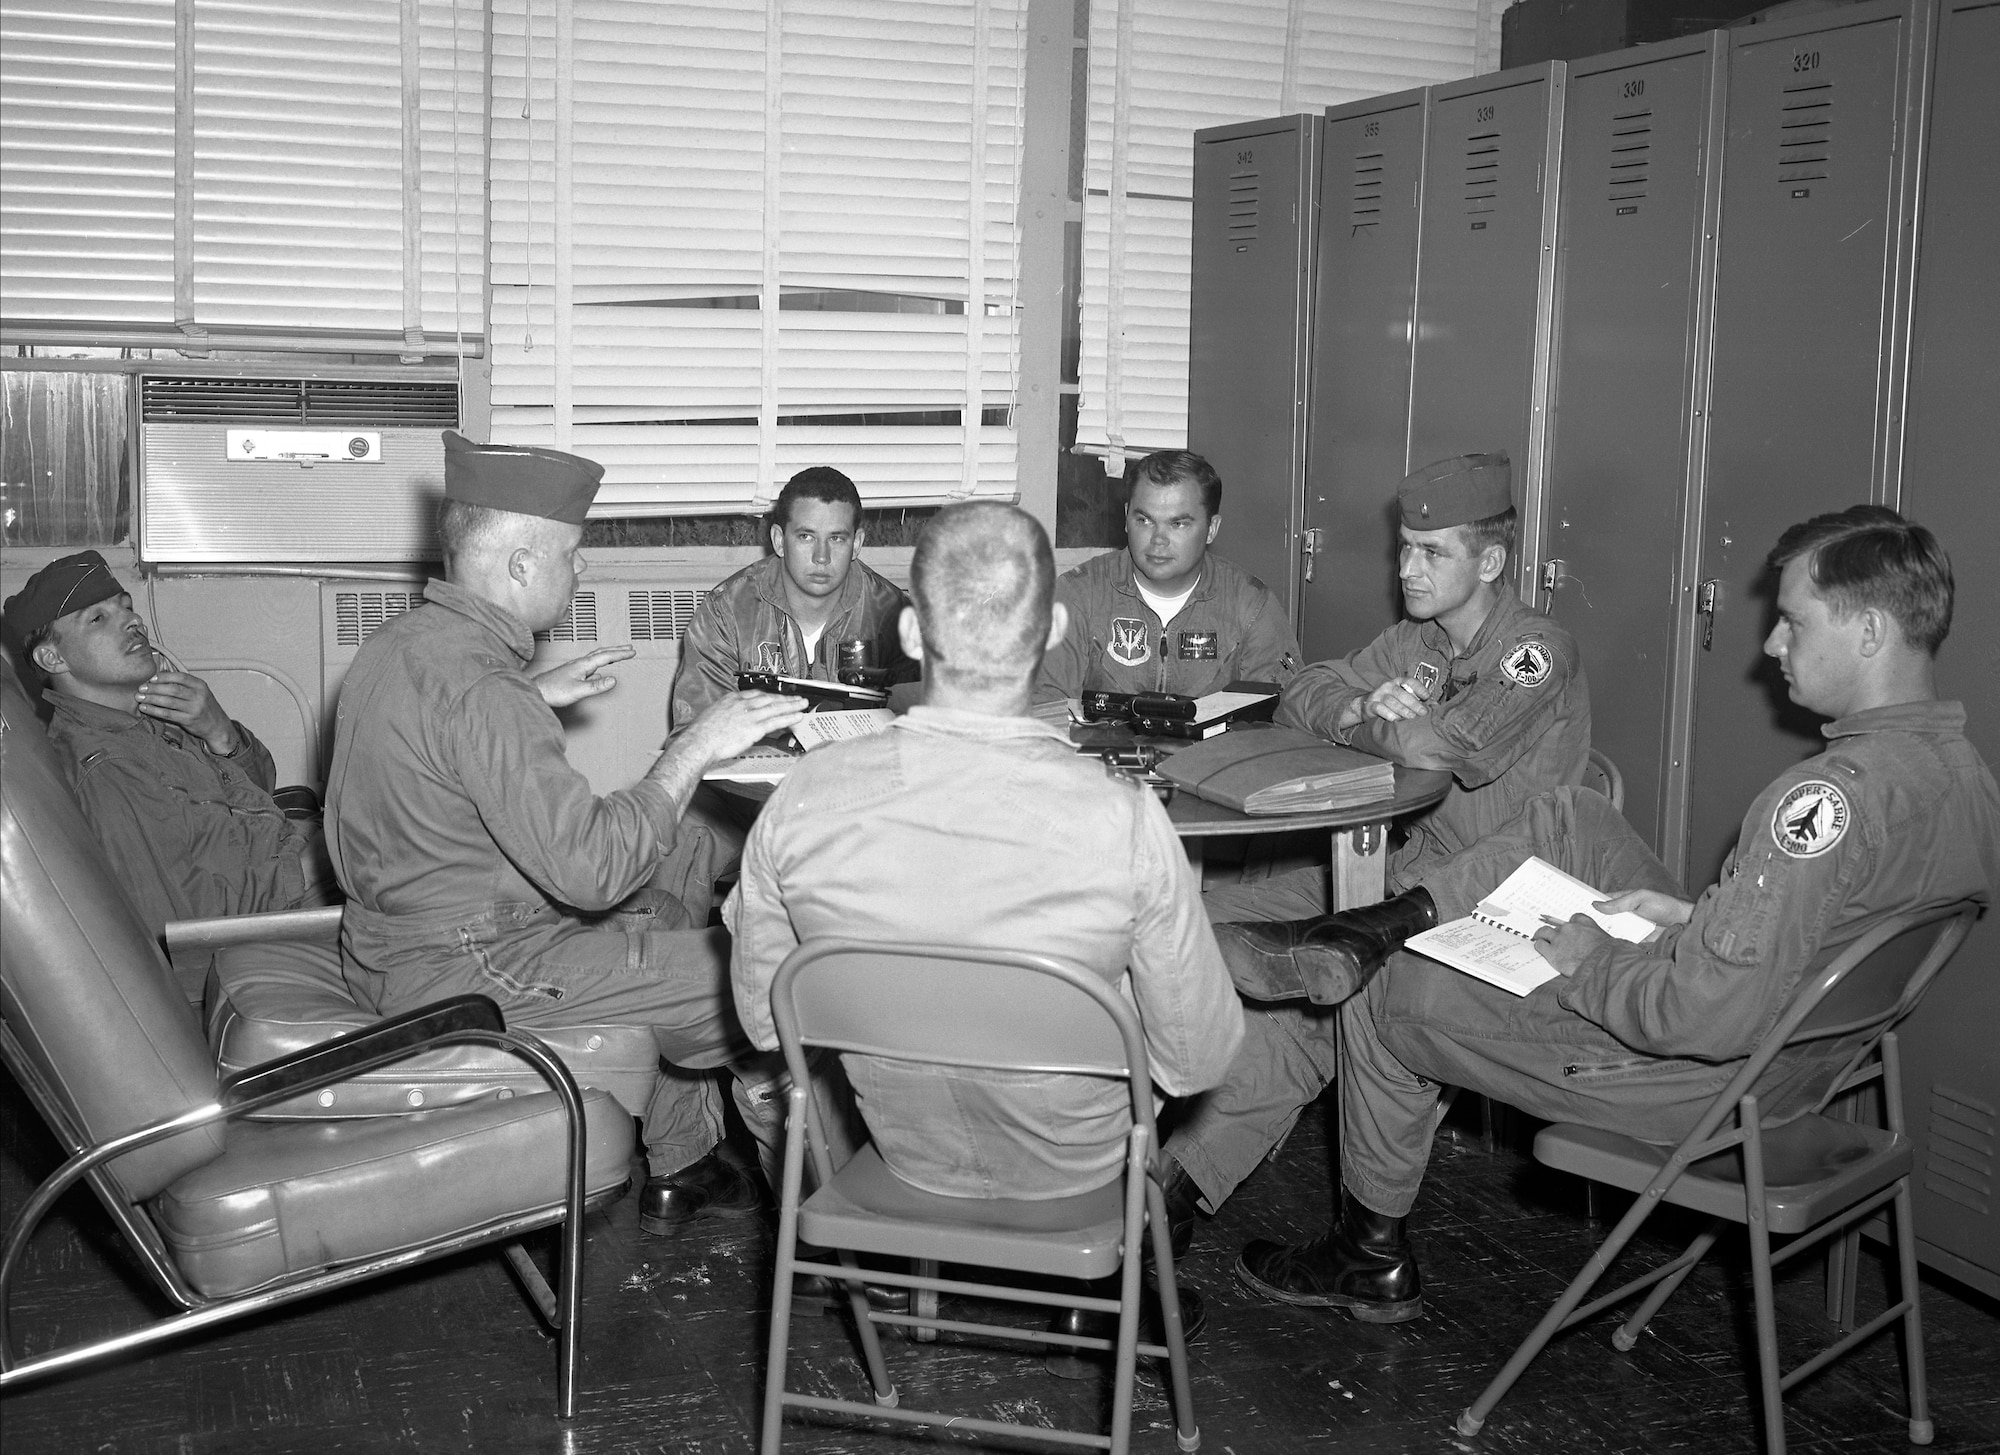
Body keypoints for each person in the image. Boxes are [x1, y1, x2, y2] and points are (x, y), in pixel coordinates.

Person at [1211, 505, 1996, 1321]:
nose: (1770, 643)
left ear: (1869, 631)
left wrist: (1590, 959)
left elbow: (1702, 1017)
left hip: (1704, 1077)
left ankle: (1365, 1255)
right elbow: (1835, 932)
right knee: (1573, 815)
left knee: (1377, 991)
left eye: (1794, 622)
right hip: (1806, 1056)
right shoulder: (1964, 776)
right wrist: (1694, 916)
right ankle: (1384, 919)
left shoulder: (1823, 801)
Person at [728, 500, 1246, 1360]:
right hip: (1077, 1169)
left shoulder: (801, 803)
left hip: (902, 1150)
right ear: (1051, 628)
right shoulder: (1122, 820)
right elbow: (1196, 1059)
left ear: (908, 627)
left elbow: (762, 1020)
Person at [325, 430, 813, 1235]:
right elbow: (593, 871)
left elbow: (445, 737)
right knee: (783, 967)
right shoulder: (485, 690)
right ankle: (826, 1213)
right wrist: (694, 747)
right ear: (520, 565)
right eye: (572, 555)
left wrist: (528, 694)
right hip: (462, 968)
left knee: (671, 901)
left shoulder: (405, 644)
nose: (579, 571)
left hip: (391, 940)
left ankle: (686, 1152)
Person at [1156, 452, 1589, 1248]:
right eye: (1405, 548)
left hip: (1480, 899)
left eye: (1433, 552)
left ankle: (1180, 1197)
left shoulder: (1536, 652)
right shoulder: (1417, 639)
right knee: (1187, 920)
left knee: (1329, 1002)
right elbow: (1303, 687)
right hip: (1384, 868)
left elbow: (1444, 748)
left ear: (1490, 560)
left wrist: (1375, 724)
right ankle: (1152, 1184)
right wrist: (1361, 701)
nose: (1408, 568)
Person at [2, 551, 334, 983]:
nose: (131, 621)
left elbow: (258, 793)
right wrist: (315, 866)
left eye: (125, 606)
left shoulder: (149, 712)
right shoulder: (108, 770)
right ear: (53, 660)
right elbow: (183, 934)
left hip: (286, 866)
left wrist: (219, 733)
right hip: (275, 930)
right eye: (98, 619)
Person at [1035, 449, 1301, 703]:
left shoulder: (1251, 605)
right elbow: (1044, 709)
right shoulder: (1077, 595)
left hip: (1215, 750)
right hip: (1103, 749)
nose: (1158, 540)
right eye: (1145, 520)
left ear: (1211, 529)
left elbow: (1279, 711)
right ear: (1126, 517)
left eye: (1178, 524)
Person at [670, 466, 916, 729]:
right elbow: (696, 735)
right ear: (778, 540)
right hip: (755, 768)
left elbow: (927, 740)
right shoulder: (727, 614)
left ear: (856, 544)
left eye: (836, 538)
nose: (821, 557)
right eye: (806, 537)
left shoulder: (896, 619)